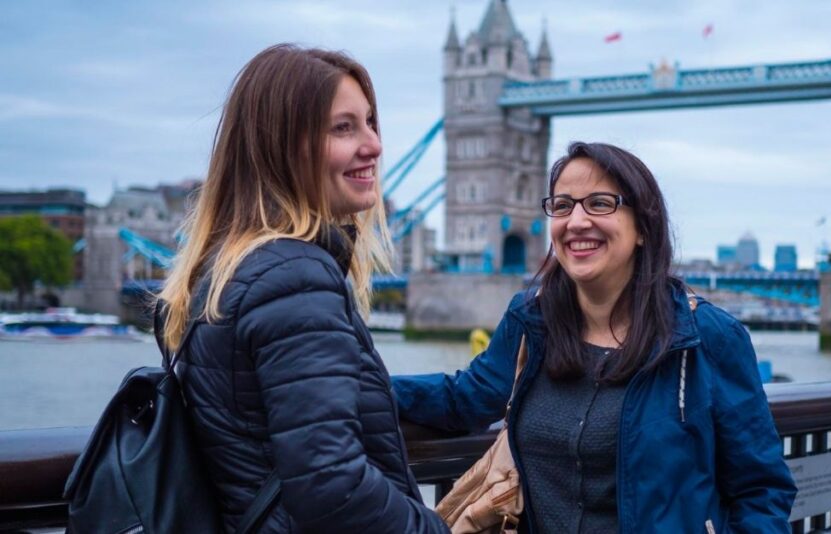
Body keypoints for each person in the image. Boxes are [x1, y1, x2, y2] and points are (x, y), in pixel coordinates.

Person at [392, 142, 797, 533]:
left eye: (600, 203)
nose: (577, 221)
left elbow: (761, 489)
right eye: (563, 205)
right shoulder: (531, 320)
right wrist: (356, 388)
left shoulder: (706, 336)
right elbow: (466, 397)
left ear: (643, 228)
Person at [157, 44, 448, 533]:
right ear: (282, 147)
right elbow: (332, 484)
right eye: (343, 127)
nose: (375, 145)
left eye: (370, 122)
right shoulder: (295, 276)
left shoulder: (232, 268)